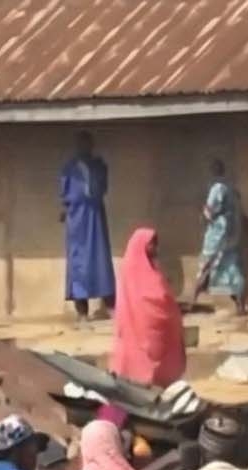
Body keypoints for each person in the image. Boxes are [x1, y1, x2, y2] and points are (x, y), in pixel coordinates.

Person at [109, 229, 185, 389]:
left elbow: (162, 297)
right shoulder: (131, 269)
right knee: (138, 366)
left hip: (155, 331)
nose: (155, 249)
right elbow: (145, 298)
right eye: (152, 244)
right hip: (138, 325)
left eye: (156, 244)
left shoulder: (152, 269)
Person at [61, 132, 114, 320]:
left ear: (92, 145)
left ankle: (110, 306)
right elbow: (64, 195)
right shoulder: (69, 168)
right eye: (81, 144)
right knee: (78, 264)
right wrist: (66, 211)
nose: (84, 147)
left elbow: (102, 188)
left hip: (95, 217)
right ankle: (82, 311)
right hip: (77, 219)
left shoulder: (99, 166)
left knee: (100, 260)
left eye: (87, 143)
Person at [192, 160, 248, 317]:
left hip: (218, 233)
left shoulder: (217, 188)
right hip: (231, 233)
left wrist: (203, 212)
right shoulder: (230, 187)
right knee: (231, 268)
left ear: (213, 171)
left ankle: (193, 301)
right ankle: (240, 305)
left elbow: (210, 211)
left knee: (206, 264)